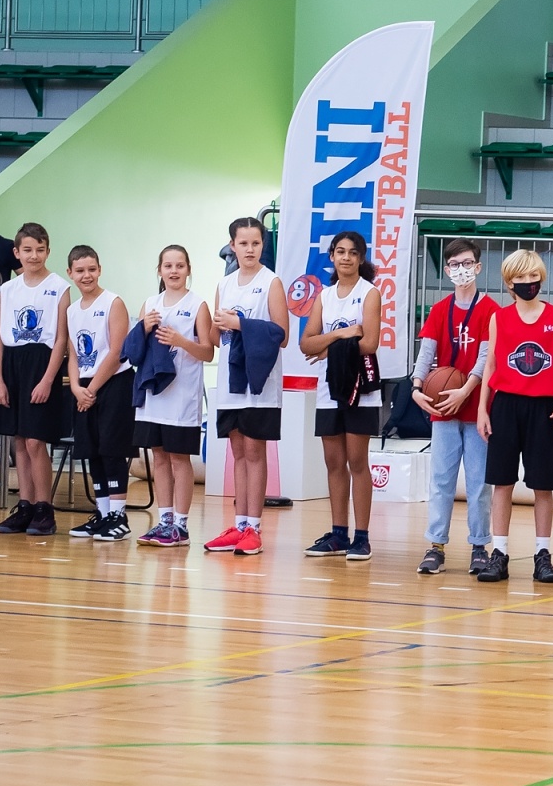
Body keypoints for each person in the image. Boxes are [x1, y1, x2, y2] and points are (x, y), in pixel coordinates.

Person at [476, 249, 553, 584]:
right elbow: (490, 365)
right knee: (502, 483)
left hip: (543, 406)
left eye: (535, 277)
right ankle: (500, 552)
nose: (529, 282)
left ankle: (542, 554)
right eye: (523, 278)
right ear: (509, 282)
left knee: (542, 485)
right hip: (506, 404)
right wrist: (482, 409)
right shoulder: (499, 318)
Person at [412, 239, 496, 576]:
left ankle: (479, 545)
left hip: (476, 408)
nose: (461, 269)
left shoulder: (490, 309)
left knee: (478, 482)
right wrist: (417, 387)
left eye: (467, 263)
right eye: (454, 264)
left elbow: (486, 357)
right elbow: (426, 353)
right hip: (443, 407)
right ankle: (436, 545)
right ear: (446, 270)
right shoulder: (438, 309)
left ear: (477, 266)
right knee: (442, 480)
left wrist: (466, 390)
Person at [204, 217, 288, 557]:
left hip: (259, 382)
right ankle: (239, 524)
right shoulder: (224, 285)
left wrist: (238, 323)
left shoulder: (272, 282)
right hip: (229, 381)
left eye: (256, 243)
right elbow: (215, 338)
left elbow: (281, 334)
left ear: (262, 246)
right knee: (237, 452)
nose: (250, 249)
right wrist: (211, 323)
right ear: (232, 245)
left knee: (255, 451)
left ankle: (254, 525)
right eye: (243, 243)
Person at [299, 231, 382, 562]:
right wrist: (342, 334)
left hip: (359, 388)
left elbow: (370, 343)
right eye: (340, 251)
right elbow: (306, 343)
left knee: (357, 461)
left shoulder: (370, 294)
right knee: (333, 462)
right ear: (332, 257)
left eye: (352, 252)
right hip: (327, 389)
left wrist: (328, 347)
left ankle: (361, 537)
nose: (346, 257)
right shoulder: (324, 296)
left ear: (361, 259)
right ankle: (338, 534)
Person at [0, 222, 70, 536]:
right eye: (27, 250)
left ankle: (44, 509)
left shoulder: (59, 286)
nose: (34, 255)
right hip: (12, 362)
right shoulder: (7, 289)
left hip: (42, 363)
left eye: (40, 249)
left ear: (48, 251)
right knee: (19, 441)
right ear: (16, 253)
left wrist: (48, 379)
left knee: (37, 440)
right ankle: (24, 506)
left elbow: (61, 339)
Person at [132, 245, 213, 547]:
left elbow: (207, 351)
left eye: (180, 265)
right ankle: (163, 520)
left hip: (182, 396)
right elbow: (135, 350)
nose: (174, 271)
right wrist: (143, 328)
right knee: (159, 457)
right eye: (168, 265)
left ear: (189, 269)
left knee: (180, 459)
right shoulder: (150, 304)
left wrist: (180, 340)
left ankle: (181, 524)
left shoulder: (198, 305)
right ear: (159, 270)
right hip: (154, 396)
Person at [64, 246, 135, 541]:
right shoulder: (71, 310)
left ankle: (119, 516)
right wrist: (78, 387)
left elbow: (118, 351)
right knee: (91, 449)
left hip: (114, 383)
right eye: (80, 271)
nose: (86, 275)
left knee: (112, 449)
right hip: (85, 388)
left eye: (91, 269)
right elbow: (73, 354)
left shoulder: (113, 302)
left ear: (100, 269)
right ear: (70, 273)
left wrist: (91, 389)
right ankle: (103, 514)